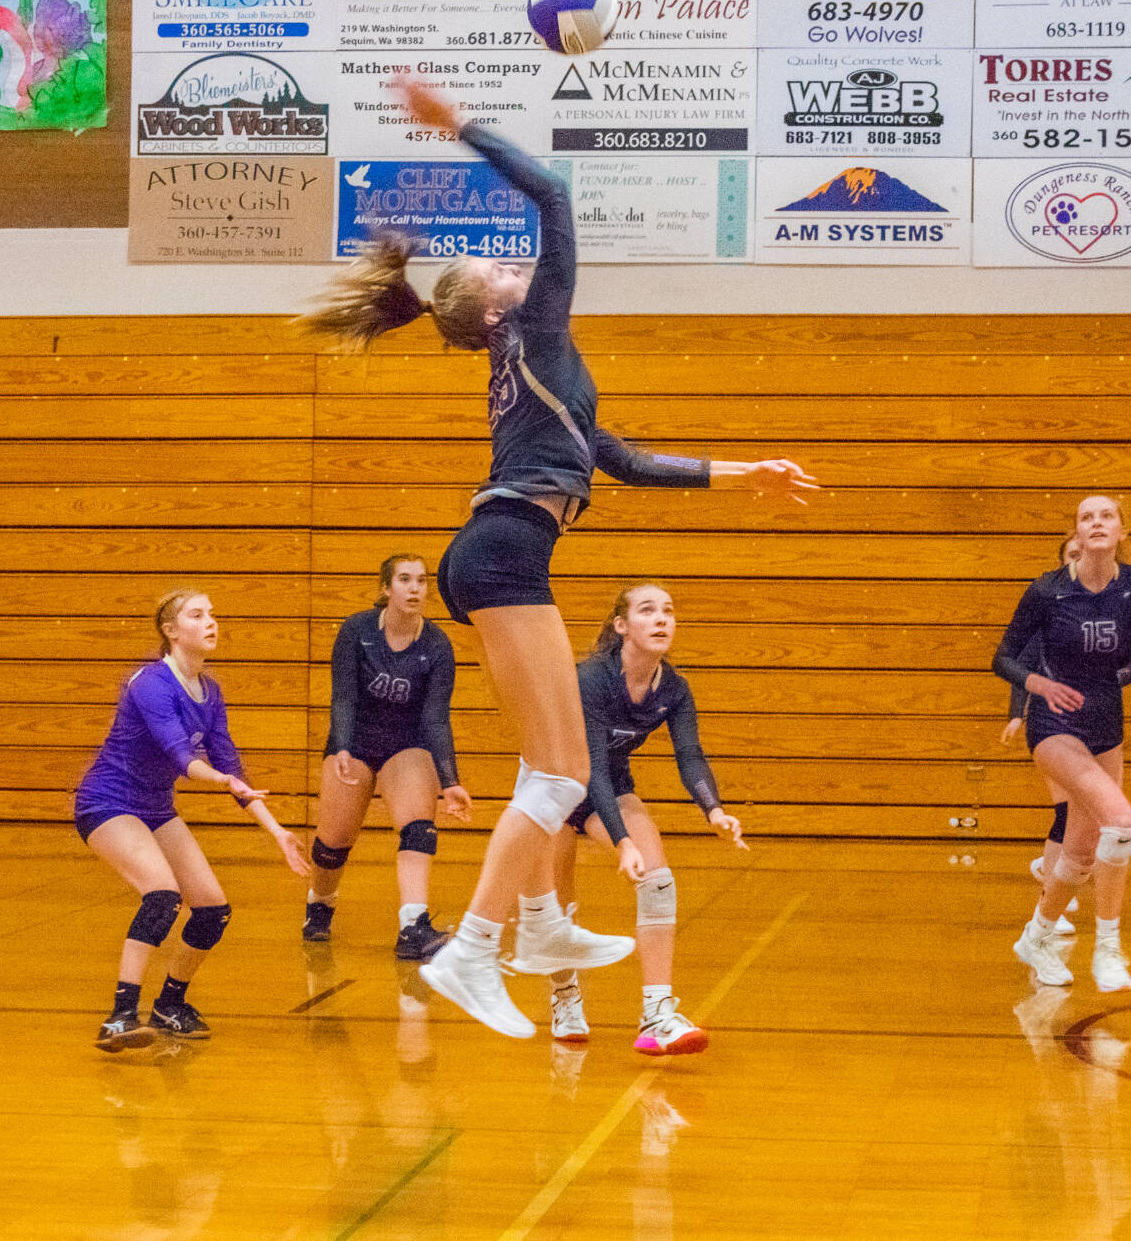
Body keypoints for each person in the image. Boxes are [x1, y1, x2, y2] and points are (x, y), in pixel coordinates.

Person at [302, 74, 817, 1038]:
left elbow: (623, 460)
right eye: (499, 273)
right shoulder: (535, 327)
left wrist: (745, 474)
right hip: (501, 556)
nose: (513, 268)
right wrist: (458, 123)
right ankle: (473, 950)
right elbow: (552, 194)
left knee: (562, 772)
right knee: (556, 780)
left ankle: (539, 928)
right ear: (496, 312)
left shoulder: (538, 369)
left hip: (497, 554)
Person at [77, 589, 309, 1052]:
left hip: (155, 807)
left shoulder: (210, 690)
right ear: (170, 630)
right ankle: (120, 1016)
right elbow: (183, 757)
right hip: (107, 803)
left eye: (213, 614)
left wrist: (277, 830)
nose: (211, 622)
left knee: (211, 909)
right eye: (197, 614)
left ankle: (170, 1005)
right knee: (162, 896)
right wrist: (220, 780)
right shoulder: (150, 684)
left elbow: (230, 767)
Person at [549, 582, 747, 1055]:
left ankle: (656, 1015)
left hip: (610, 786)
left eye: (669, 611)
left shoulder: (673, 689)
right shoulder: (591, 679)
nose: (662, 619)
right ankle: (564, 996)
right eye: (647, 610)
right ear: (622, 626)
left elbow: (690, 756)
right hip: (552, 787)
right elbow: (589, 764)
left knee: (658, 881)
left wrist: (714, 810)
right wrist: (621, 841)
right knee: (556, 905)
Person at [993, 497, 1131, 992]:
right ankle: (1108, 947)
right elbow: (1004, 657)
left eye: (1106, 516)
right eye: (1086, 517)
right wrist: (1037, 688)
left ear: (1121, 532)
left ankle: (1038, 935)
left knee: (1081, 855)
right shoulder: (1047, 592)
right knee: (1121, 821)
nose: (1096, 523)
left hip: (1107, 726)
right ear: (1076, 533)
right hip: (1055, 724)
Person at [304, 553, 471, 959]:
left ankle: (413, 926)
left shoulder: (436, 645)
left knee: (418, 828)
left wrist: (450, 781)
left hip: (407, 742)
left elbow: (435, 719)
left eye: (421, 580)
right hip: (357, 739)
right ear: (386, 588)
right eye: (404, 579)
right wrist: (341, 744)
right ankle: (320, 904)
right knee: (332, 845)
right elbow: (343, 694)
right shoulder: (356, 630)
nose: (415, 588)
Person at [1000, 535, 1084, 936]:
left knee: (1086, 816)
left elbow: (1124, 666)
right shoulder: (1049, 607)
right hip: (1050, 724)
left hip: (1091, 724)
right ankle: (1048, 900)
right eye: (1073, 555)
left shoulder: (1110, 609)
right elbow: (1022, 663)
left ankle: (1049, 870)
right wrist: (1017, 714)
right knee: (1068, 812)